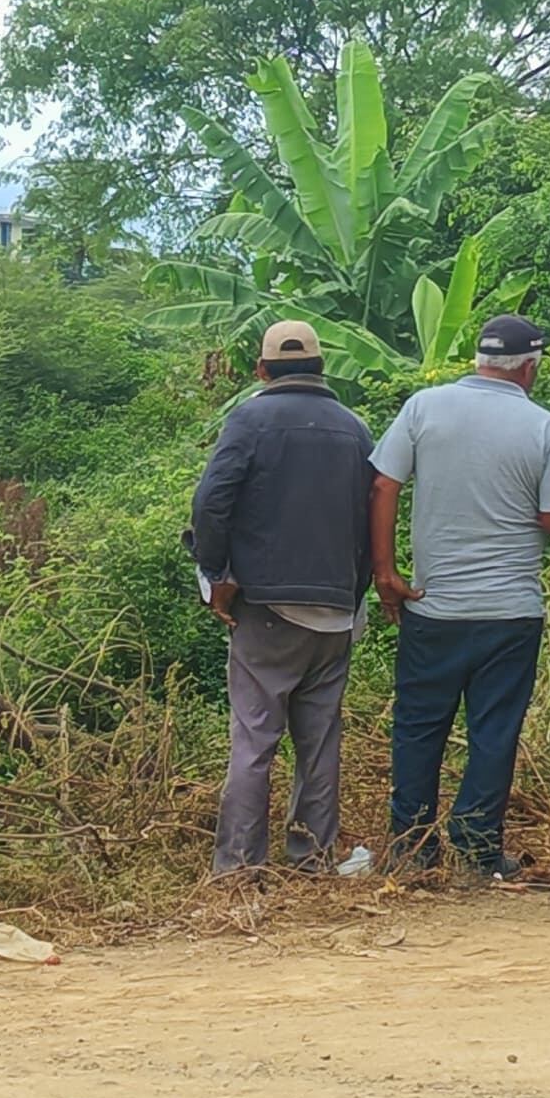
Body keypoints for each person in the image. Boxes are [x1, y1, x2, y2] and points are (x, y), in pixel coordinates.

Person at [367, 314, 550, 880]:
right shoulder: (543, 427)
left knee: (419, 726)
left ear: (480, 360)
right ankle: (479, 846)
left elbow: (383, 483)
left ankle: (413, 847)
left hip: (433, 607)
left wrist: (385, 571)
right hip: (510, 613)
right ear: (530, 367)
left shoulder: (424, 407)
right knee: (493, 732)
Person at [188, 318, 378, 878]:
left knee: (254, 739)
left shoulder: (249, 419)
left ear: (261, 370)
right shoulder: (355, 429)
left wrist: (217, 573)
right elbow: (374, 516)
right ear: (321, 367)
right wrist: (355, 591)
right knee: (319, 745)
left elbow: (211, 503)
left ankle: (240, 867)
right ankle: (311, 860)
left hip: (267, 607)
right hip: (336, 610)